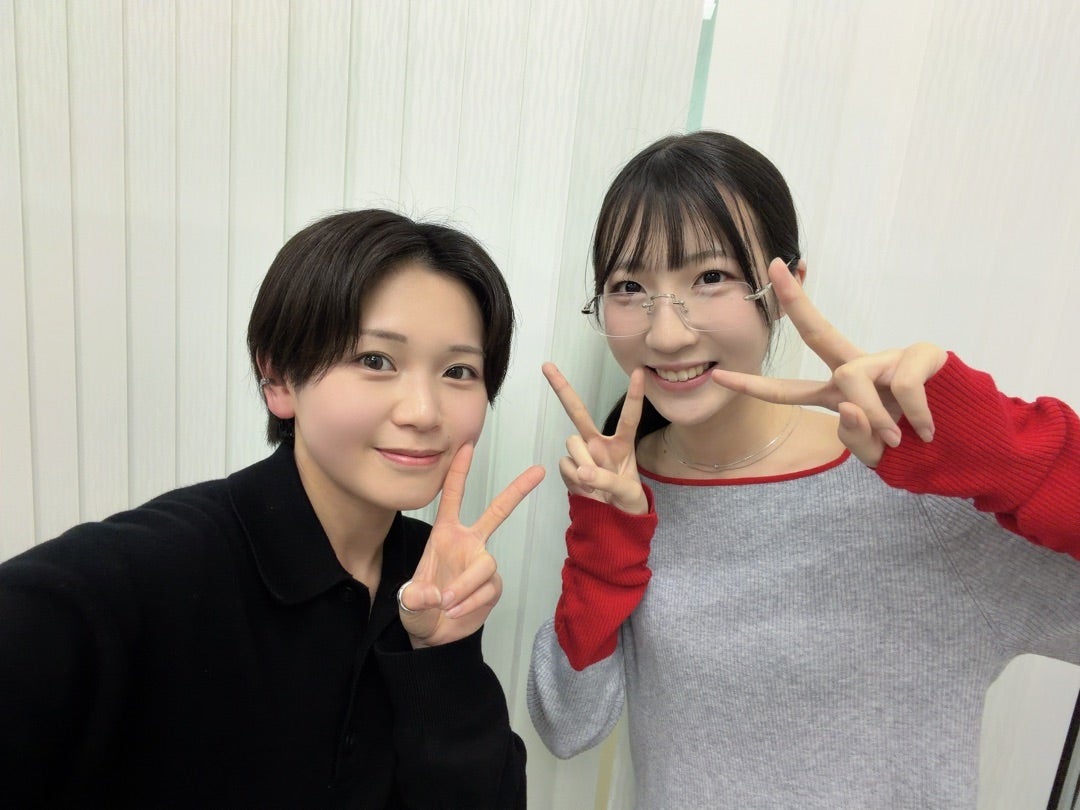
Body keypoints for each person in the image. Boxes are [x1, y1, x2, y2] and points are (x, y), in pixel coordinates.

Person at [527, 131, 1080, 809]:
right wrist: (605, 541)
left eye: (711, 277)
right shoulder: (621, 492)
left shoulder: (916, 489)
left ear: (788, 283)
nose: (666, 333)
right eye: (630, 287)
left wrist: (1007, 454)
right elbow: (567, 723)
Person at [0, 209, 544, 808]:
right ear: (279, 378)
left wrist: (442, 657)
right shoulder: (149, 569)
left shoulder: (431, 572)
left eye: (458, 371)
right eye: (375, 360)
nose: (424, 411)